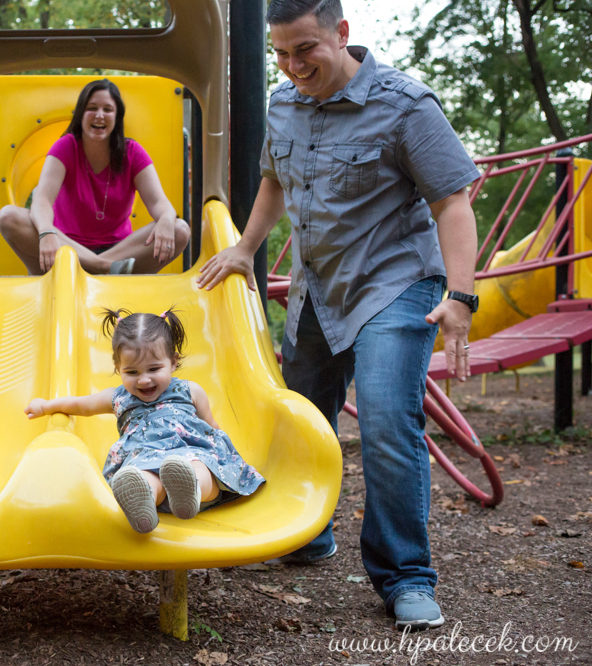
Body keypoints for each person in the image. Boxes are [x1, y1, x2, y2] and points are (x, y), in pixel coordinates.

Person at [196, 0, 479, 630]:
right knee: (303, 417)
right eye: (281, 53)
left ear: (342, 33)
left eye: (306, 50)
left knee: (385, 419)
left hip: (395, 284)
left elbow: (453, 202)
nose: (293, 66)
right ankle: (308, 532)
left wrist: (460, 298)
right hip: (318, 290)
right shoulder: (284, 103)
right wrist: (244, 247)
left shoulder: (405, 105)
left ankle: (406, 576)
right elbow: (274, 179)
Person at [25, 309, 264, 533]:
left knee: (200, 467)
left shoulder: (190, 390)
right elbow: (81, 405)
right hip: (144, 456)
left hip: (191, 452)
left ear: (173, 362)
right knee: (143, 476)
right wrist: (46, 406)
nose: (144, 380)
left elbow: (211, 428)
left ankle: (190, 491)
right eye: (132, 372)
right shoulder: (118, 397)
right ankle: (144, 502)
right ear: (118, 368)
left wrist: (223, 456)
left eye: (154, 369)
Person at [0, 79, 190, 275]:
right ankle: (103, 267)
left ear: (117, 117)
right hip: (65, 247)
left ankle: (99, 264)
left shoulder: (132, 152)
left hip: (120, 250)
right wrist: (46, 231)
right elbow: (42, 200)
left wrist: (166, 219)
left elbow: (159, 202)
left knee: (179, 230)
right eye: (92, 108)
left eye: (107, 109)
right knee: (8, 217)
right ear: (81, 114)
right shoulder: (66, 147)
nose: (99, 115)